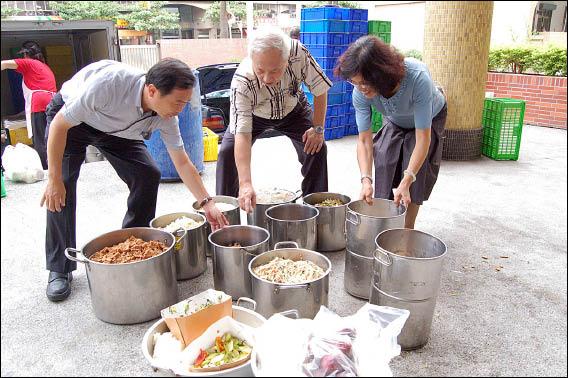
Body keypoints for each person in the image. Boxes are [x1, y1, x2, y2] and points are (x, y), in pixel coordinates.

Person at [41, 58, 229, 302]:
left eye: (185, 102)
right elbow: (58, 125)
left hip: (118, 131)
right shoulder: (109, 86)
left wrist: (207, 203)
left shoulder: (167, 115)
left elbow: (182, 162)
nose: (181, 109)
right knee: (61, 187)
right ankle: (59, 267)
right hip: (73, 123)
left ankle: (131, 246)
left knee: (147, 173)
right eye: (177, 102)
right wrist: (53, 179)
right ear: (152, 91)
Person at [335, 35, 447, 229]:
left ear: (381, 75)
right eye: (355, 82)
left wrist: (407, 179)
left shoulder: (417, 77)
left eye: (365, 82)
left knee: (414, 175)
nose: (360, 88)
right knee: (385, 158)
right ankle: (383, 222)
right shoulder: (360, 92)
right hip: (395, 118)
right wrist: (365, 179)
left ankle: (406, 230)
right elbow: (363, 141)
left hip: (428, 119)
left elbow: (422, 139)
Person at [216, 27, 332, 213]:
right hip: (255, 114)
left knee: (317, 148)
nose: (268, 78)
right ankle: (225, 214)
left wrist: (318, 129)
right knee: (227, 152)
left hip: (293, 108)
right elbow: (243, 135)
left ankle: (315, 211)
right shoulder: (242, 82)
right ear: (252, 59)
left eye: (275, 70)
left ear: (287, 60)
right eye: (260, 70)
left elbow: (320, 90)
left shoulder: (298, 53)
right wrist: (246, 183)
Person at [1, 41, 57, 169]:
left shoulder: (29, 63)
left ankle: (45, 168)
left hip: (39, 103)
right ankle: (56, 166)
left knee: (40, 140)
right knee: (51, 137)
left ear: (26, 54)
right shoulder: (44, 66)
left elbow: (4, 64)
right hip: (53, 103)